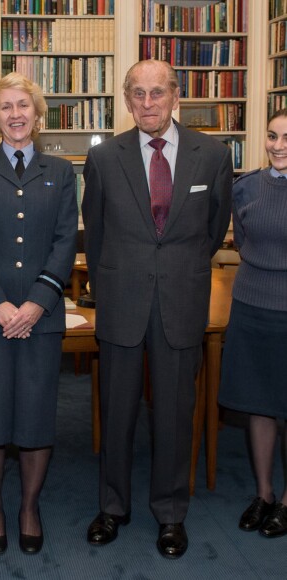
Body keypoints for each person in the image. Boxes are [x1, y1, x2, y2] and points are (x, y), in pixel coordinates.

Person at [81, 59, 232, 559]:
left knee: (174, 413)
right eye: (138, 94)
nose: (148, 103)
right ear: (127, 100)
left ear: (175, 97)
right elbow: (96, 233)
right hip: (122, 300)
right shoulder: (104, 159)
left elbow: (214, 229)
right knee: (116, 411)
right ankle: (113, 507)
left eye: (157, 93)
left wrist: (179, 271)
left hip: (180, 301)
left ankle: (170, 514)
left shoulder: (211, 154)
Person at [0, 72, 78, 555]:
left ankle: (28, 505)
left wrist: (35, 304)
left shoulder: (61, 172)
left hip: (40, 316)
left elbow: (67, 241)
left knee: (35, 413)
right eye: (5, 107)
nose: (15, 114)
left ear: (38, 113)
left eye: (23, 104)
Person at [218, 108, 287, 539]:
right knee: (259, 406)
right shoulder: (245, 188)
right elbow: (242, 242)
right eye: (273, 136)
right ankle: (263, 494)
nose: (278, 146)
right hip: (250, 307)